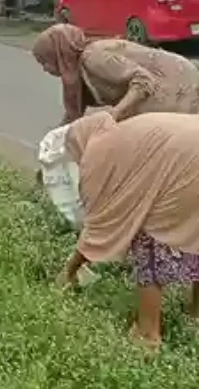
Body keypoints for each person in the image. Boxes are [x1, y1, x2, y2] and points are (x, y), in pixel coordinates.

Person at [60, 111, 199, 348]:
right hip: (189, 150)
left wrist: (68, 272)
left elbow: (102, 223)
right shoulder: (126, 129)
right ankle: (195, 313)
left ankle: (148, 334)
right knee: (193, 232)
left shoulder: (100, 152)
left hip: (187, 163)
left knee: (153, 240)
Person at [32, 23, 199, 124]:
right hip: (159, 86)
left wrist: (115, 113)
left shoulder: (93, 57)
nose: (45, 69)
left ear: (59, 53)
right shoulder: (79, 74)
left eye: (44, 61)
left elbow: (142, 80)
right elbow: (72, 119)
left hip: (174, 83)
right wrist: (53, 145)